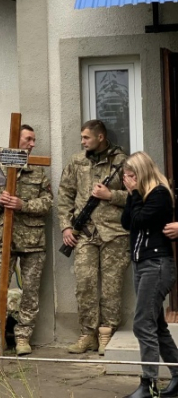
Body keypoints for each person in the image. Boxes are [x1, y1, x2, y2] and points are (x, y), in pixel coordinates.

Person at [0, 124, 53, 356]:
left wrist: (24, 205)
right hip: (4, 240)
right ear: (14, 141)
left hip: (32, 241)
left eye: (34, 140)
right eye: (28, 139)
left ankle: (22, 337)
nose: (32, 144)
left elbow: (48, 202)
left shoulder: (38, 170)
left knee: (30, 291)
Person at [58, 119, 129, 355]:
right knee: (84, 284)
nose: (82, 142)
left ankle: (106, 334)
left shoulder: (123, 161)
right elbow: (65, 195)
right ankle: (88, 335)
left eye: (86, 138)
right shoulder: (77, 161)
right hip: (85, 233)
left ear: (100, 137)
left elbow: (136, 196)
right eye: (81, 138)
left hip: (115, 233)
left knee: (112, 287)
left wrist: (111, 195)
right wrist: (66, 227)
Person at [119, 152, 178, 398]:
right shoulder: (141, 196)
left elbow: (141, 220)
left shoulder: (160, 194)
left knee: (143, 323)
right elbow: (126, 222)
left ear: (142, 173)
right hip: (141, 264)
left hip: (157, 264)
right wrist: (132, 196)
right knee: (157, 325)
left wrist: (133, 194)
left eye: (131, 175)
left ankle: (149, 384)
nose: (128, 180)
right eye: (125, 176)